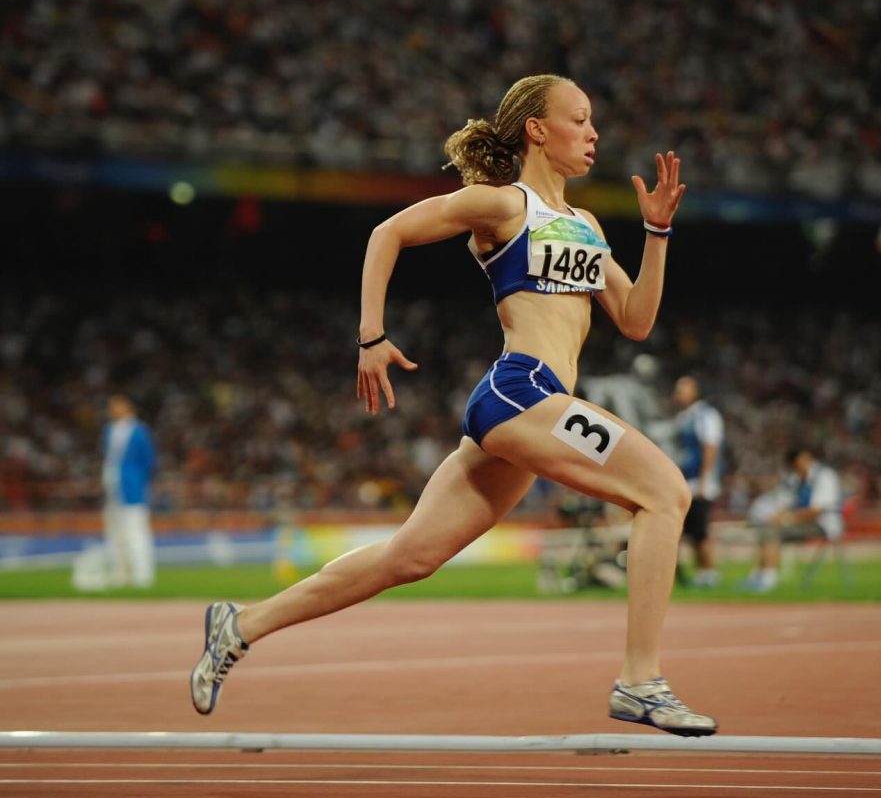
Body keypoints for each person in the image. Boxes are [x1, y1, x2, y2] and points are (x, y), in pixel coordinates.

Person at [190, 73, 717, 736]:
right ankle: (640, 680)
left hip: (539, 405)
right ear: (536, 130)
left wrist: (656, 231)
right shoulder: (502, 204)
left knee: (408, 558)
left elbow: (635, 319)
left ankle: (240, 624)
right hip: (520, 390)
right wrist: (371, 337)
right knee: (665, 491)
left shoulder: (584, 225)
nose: (593, 133)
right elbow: (387, 233)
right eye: (579, 119)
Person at [740, 446, 842, 593]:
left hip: (823, 525)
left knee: (772, 531)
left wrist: (788, 518)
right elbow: (786, 502)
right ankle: (758, 574)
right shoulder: (795, 478)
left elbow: (816, 511)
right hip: (801, 522)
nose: (798, 468)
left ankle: (768, 579)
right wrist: (777, 516)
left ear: (806, 459)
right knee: (766, 528)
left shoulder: (824, 476)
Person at [669, 376, 725, 588]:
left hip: (699, 481)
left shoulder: (706, 416)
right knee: (688, 530)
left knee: (700, 530)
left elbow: (710, 447)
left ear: (695, 392)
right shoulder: (683, 417)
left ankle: (709, 571)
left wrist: (704, 480)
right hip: (686, 479)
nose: (678, 394)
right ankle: (697, 572)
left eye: (683, 390)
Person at [100, 394, 157, 588]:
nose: (112, 409)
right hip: (112, 486)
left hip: (132, 488)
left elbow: (148, 460)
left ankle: (142, 573)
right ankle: (120, 573)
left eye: (117, 405)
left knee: (136, 530)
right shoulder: (109, 430)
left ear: (128, 407)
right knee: (114, 532)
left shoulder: (139, 431)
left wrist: (139, 481)